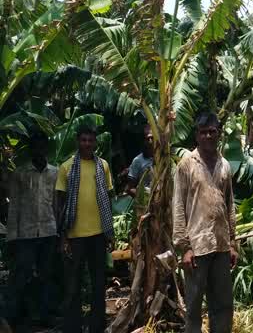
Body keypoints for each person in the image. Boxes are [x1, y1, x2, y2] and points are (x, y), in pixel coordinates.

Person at [173, 111, 238, 333]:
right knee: (193, 307)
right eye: (204, 132)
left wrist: (232, 243)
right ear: (197, 135)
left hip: (220, 244)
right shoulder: (186, 165)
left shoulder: (225, 165)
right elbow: (178, 207)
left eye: (212, 132)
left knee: (223, 305)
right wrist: (184, 247)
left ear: (218, 133)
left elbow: (230, 205)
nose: (208, 136)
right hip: (196, 248)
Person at [55, 124, 115, 333]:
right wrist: (62, 237)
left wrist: (110, 233)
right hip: (74, 236)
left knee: (99, 284)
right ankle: (73, 327)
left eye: (90, 140)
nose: (87, 144)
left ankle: (96, 326)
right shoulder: (67, 167)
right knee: (73, 285)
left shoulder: (103, 166)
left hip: (98, 235)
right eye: (83, 140)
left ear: (95, 142)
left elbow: (108, 198)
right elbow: (59, 203)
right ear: (77, 141)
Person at [4, 131, 58, 327]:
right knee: (21, 273)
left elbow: (56, 204)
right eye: (36, 146)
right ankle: (11, 316)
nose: (39, 150)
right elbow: (15, 206)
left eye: (42, 146)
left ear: (46, 149)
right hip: (25, 233)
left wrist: (59, 231)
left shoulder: (55, 172)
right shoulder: (20, 173)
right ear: (31, 149)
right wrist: (12, 237)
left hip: (49, 230)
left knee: (46, 275)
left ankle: (44, 316)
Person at [126, 124, 154, 200]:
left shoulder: (165, 158)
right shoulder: (138, 161)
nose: (150, 141)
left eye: (152, 138)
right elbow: (129, 188)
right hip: (147, 205)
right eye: (147, 139)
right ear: (144, 141)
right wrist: (145, 199)